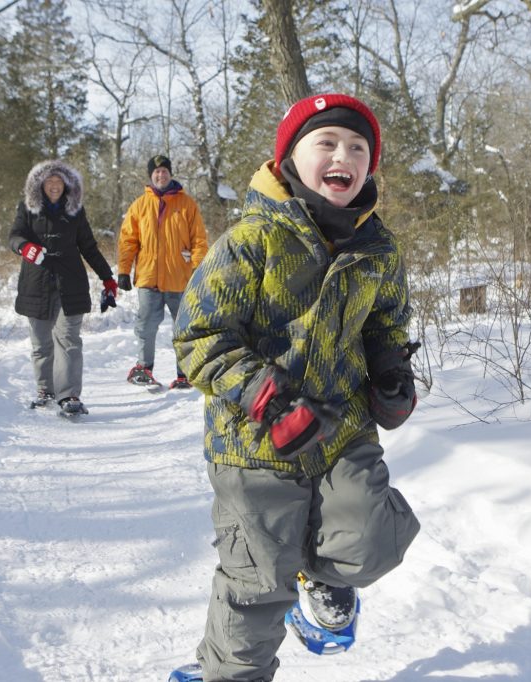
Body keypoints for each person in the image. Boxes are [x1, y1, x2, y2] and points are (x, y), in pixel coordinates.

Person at [172, 93, 421, 681]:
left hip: (342, 431)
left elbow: (387, 319)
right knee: (259, 578)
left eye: (358, 147)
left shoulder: (377, 248)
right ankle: (226, 674)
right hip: (256, 442)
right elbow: (198, 338)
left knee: (369, 539)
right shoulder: (250, 243)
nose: (345, 155)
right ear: (288, 159)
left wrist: (390, 368)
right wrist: (267, 396)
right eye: (327, 143)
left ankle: (324, 574)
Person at [9, 159, 118, 416]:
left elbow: (89, 247)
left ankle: (69, 395)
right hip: (36, 283)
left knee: (68, 340)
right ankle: (45, 390)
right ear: (40, 185)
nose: (55, 186)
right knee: (41, 343)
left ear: (67, 185)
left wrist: (107, 278)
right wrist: (25, 247)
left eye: (59, 182)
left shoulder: (75, 212)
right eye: (50, 182)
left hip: (70, 283)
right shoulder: (27, 209)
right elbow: (14, 236)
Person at [117, 154, 208, 389]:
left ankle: (184, 374)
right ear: (151, 175)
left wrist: (199, 269)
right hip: (148, 277)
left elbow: (199, 239)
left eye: (164, 171)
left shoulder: (186, 204)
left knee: (184, 327)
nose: (161, 175)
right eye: (156, 171)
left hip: (180, 278)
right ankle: (144, 369)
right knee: (146, 325)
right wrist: (124, 271)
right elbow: (128, 241)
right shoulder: (139, 205)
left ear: (170, 174)